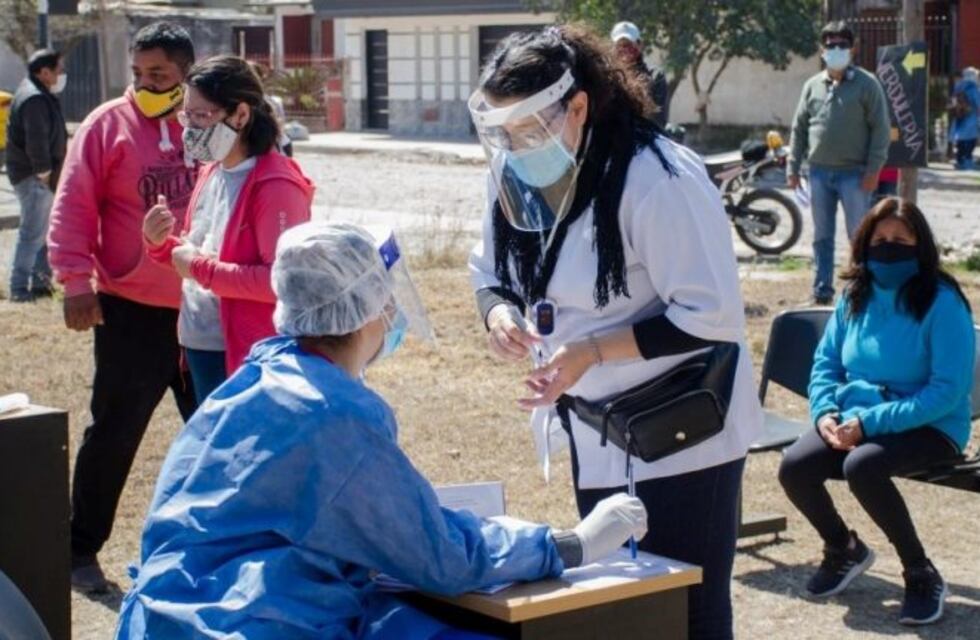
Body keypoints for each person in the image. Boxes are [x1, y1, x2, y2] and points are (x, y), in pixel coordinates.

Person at [114, 221, 648, 639]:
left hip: (163, 618)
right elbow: (442, 557)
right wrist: (568, 544)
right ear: (367, 308)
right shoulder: (332, 413)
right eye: (385, 296)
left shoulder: (253, 381)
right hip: (248, 623)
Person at [468, 25, 763, 639]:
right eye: (503, 131)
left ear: (578, 106)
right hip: (594, 429)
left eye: (526, 127)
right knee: (625, 608)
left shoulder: (659, 177)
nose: (515, 145)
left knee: (690, 608)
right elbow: (490, 270)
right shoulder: (522, 169)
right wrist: (499, 314)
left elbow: (709, 314)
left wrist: (594, 350)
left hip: (685, 436)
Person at [46, 22, 199, 593]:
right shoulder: (107, 124)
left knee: (218, 435)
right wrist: (74, 280)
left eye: (158, 75)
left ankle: (223, 549)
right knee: (113, 434)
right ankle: (78, 550)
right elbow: (74, 204)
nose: (145, 85)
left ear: (187, 72)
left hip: (205, 311)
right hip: (130, 311)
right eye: (138, 73)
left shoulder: (208, 120)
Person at [778, 197, 974, 626]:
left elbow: (945, 392)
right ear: (863, 243)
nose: (888, 247)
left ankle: (920, 573)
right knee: (794, 466)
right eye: (879, 239)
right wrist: (824, 413)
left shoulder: (943, 302)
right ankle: (843, 548)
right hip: (854, 420)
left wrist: (868, 423)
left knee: (862, 466)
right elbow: (826, 364)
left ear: (920, 247)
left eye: (901, 240)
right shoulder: (854, 296)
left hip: (931, 425)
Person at [143, 56, 313, 403]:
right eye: (186, 115)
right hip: (200, 342)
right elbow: (199, 251)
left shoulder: (275, 186)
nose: (189, 128)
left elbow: (280, 282)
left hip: (247, 352)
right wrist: (160, 243)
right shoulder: (212, 170)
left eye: (202, 116)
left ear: (241, 114)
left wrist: (198, 268)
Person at [788, 21, 891, 305]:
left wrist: (873, 170)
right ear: (822, 50)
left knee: (859, 234)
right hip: (819, 173)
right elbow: (799, 128)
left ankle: (863, 287)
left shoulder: (867, 84)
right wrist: (793, 168)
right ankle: (822, 289)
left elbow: (881, 130)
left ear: (853, 49)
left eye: (842, 45)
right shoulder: (812, 86)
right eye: (830, 45)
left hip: (855, 175)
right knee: (822, 236)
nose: (836, 50)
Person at [5, 49, 67, 302]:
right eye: (59, 69)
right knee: (32, 233)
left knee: (42, 232)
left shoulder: (37, 94)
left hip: (39, 176)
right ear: (44, 72)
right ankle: (19, 288)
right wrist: (44, 172)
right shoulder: (34, 99)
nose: (62, 74)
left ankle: (41, 283)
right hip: (34, 176)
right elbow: (36, 141)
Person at [610, 21, 669, 128]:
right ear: (613, 48)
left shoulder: (656, 76)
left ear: (640, 45)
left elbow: (658, 119)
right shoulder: (608, 77)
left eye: (629, 44)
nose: (625, 49)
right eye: (620, 45)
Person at [949, 66, 978, 170]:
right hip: (971, 117)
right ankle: (967, 161)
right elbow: (977, 102)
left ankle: (959, 160)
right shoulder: (973, 87)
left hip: (960, 116)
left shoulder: (959, 86)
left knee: (960, 141)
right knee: (970, 141)